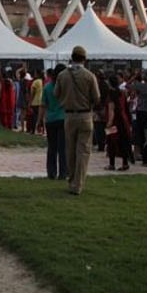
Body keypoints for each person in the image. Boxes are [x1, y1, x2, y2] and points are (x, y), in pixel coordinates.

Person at [54, 45, 99, 196]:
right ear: (84, 59)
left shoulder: (62, 75)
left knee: (70, 150)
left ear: (72, 57)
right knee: (83, 152)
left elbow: (56, 93)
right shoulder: (89, 76)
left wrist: (66, 100)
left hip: (69, 115)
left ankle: (71, 179)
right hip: (85, 115)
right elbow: (96, 97)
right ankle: (77, 184)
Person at [42, 65, 67, 180]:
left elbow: (43, 105)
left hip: (50, 119)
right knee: (63, 148)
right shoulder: (65, 88)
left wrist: (40, 120)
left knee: (52, 147)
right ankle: (63, 172)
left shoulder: (47, 87)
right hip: (63, 118)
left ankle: (51, 172)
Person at [104, 74, 131, 171]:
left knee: (111, 141)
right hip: (123, 120)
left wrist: (109, 122)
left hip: (114, 121)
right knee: (123, 141)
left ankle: (111, 164)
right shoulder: (122, 93)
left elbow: (111, 109)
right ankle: (125, 163)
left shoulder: (110, 94)